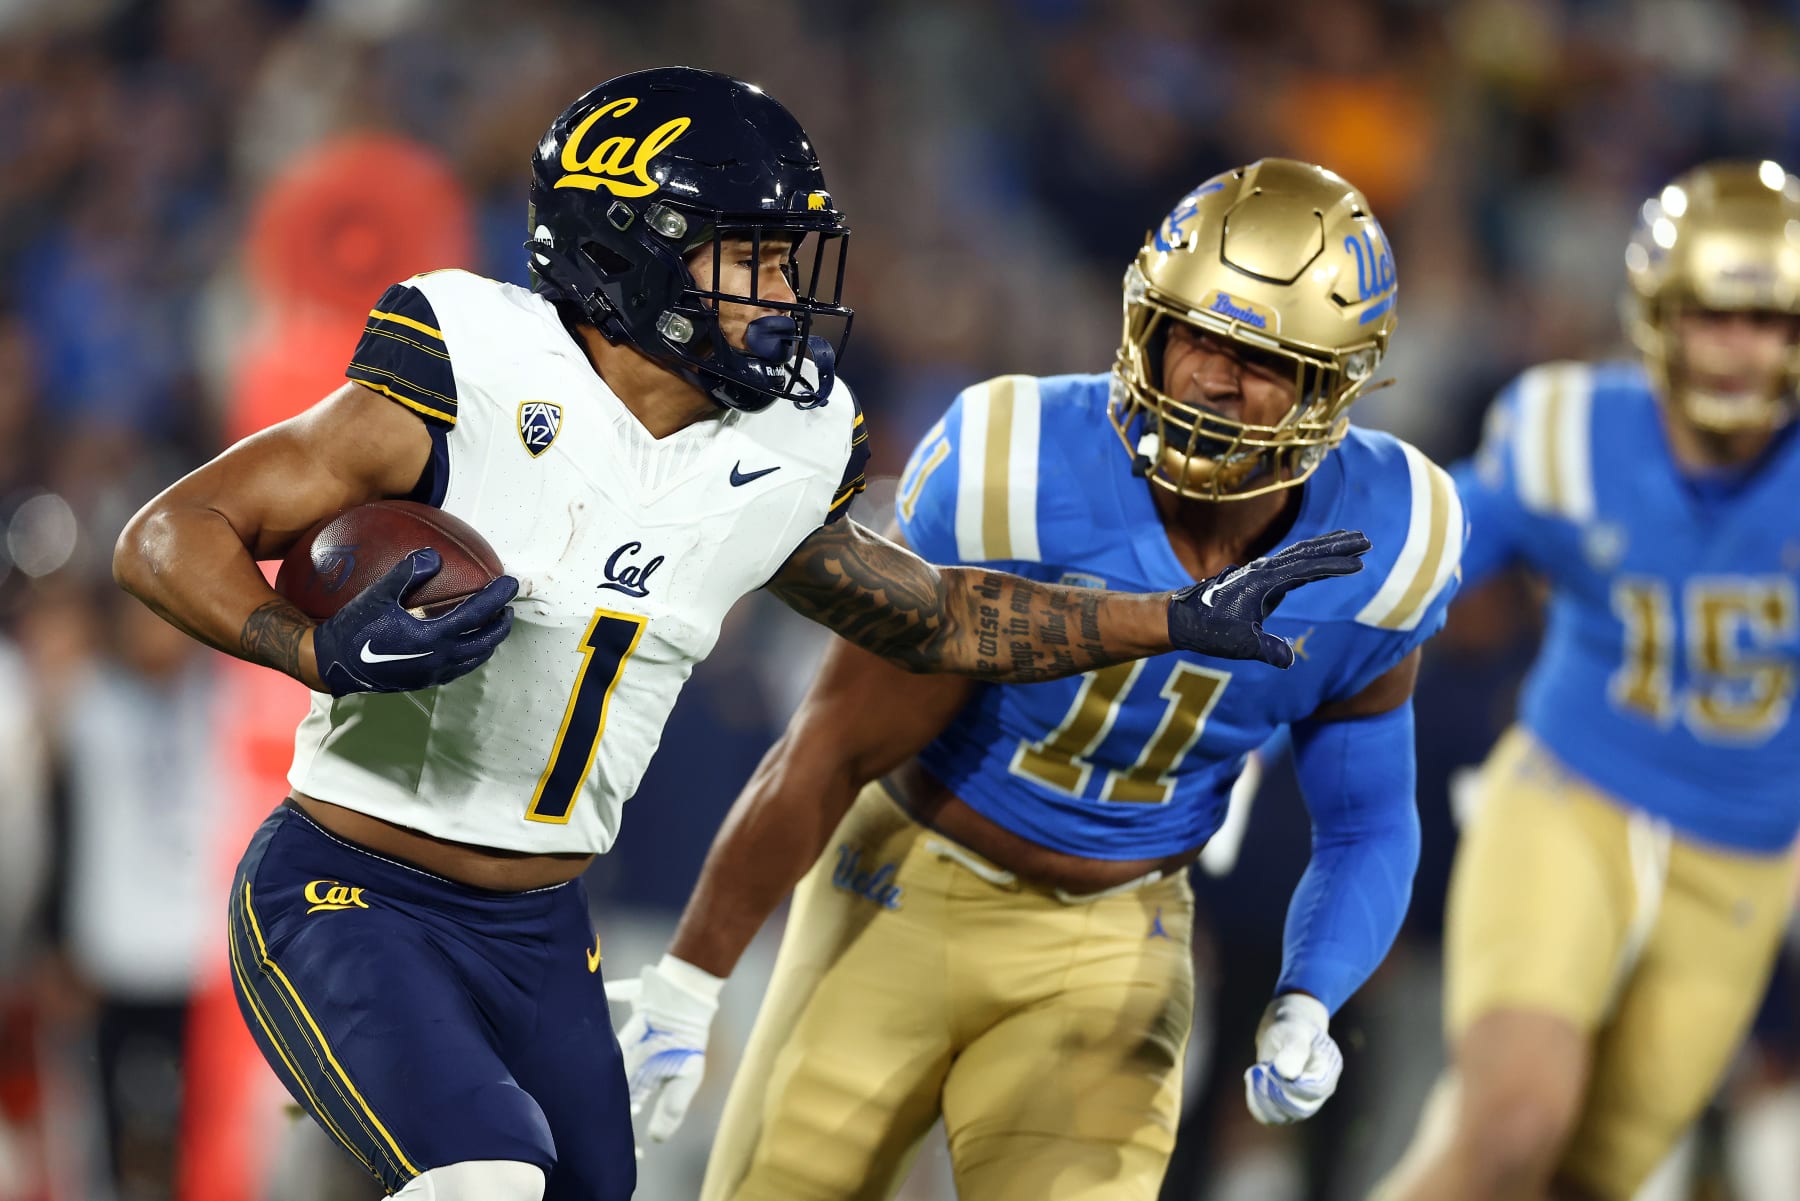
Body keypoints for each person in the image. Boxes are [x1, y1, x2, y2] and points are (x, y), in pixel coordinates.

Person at [109, 70, 1362, 1201]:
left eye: (786, 260)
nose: (783, 297)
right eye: (750, 260)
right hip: (353, 888)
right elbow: (170, 533)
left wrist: (1170, 617)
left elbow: (932, 617)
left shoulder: (780, 450)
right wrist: (305, 648)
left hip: (543, 930)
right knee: (491, 1182)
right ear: (627, 254)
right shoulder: (474, 367)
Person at [606, 158, 1466, 1201]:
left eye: (1260, 357)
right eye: (1192, 332)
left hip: (1115, 940)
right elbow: (832, 743)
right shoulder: (1013, 465)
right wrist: (694, 980)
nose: (1206, 376)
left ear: (1335, 388)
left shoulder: (1390, 540)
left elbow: (1368, 817)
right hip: (902, 890)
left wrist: (1310, 995)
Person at [1373, 160, 1800, 1201]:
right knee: (1514, 1123)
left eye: (1770, 320)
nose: (1742, 350)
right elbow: (1425, 553)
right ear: (1660, 316)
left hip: (1739, 862)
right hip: (1572, 801)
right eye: (1714, 316)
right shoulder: (1574, 430)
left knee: (1591, 1177)